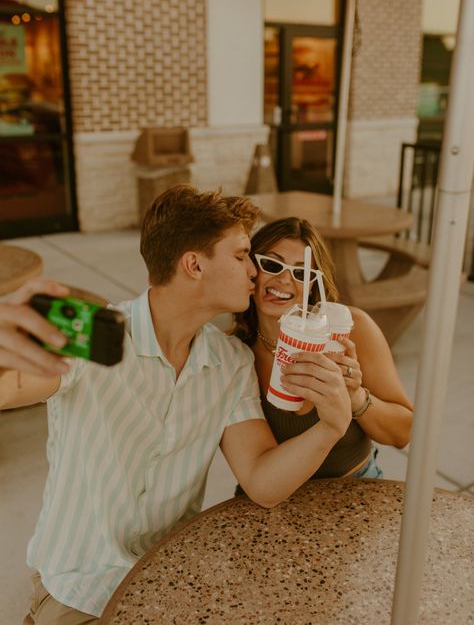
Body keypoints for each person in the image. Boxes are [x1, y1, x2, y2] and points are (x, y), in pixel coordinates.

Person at [0, 186, 352, 625]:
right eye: (243, 256)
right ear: (194, 264)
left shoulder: (230, 362)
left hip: (165, 585)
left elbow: (262, 480)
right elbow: (11, 386)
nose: (256, 274)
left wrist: (330, 427)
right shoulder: (92, 334)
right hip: (78, 591)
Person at [234, 216, 413, 480]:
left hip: (354, 487)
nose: (284, 280)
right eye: (272, 264)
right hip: (271, 498)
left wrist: (354, 396)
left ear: (313, 285)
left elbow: (403, 433)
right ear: (252, 270)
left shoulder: (351, 330)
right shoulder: (236, 352)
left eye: (301, 272)